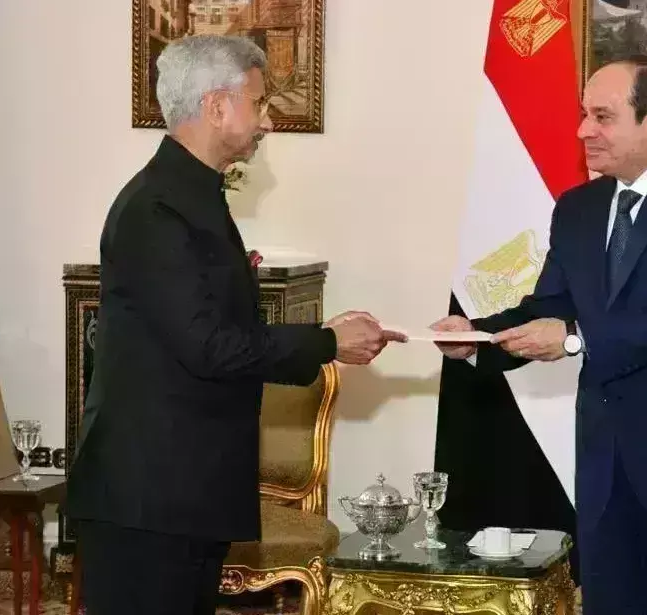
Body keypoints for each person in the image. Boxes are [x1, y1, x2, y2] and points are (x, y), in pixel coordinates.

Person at [64, 34, 406, 615]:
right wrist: (326, 342)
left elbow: (216, 328)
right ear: (217, 106)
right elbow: (210, 346)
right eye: (259, 102)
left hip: (183, 493)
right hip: (147, 500)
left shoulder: (192, 197)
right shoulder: (156, 209)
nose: (268, 121)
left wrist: (325, 333)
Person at [432, 55, 647, 615]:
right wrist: (479, 336)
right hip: (606, 465)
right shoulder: (578, 208)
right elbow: (552, 305)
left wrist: (575, 339)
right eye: (583, 114)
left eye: (602, 116)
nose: (582, 131)